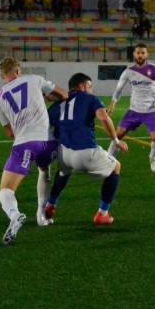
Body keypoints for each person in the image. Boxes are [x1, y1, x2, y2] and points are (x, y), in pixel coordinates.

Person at [0, 57, 67, 244]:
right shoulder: (35, 79)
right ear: (18, 71)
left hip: (25, 143)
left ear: (3, 76)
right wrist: (46, 98)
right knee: (44, 170)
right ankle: (41, 214)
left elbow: (10, 132)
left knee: (6, 190)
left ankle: (14, 215)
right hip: (48, 142)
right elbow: (63, 94)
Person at [44, 73, 129, 226]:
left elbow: (47, 127)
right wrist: (116, 140)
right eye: (90, 86)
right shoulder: (90, 99)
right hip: (85, 153)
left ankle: (51, 204)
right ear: (82, 86)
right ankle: (103, 213)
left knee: (63, 171)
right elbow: (104, 118)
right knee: (116, 167)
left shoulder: (57, 104)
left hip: (64, 154)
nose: (91, 90)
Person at [107, 43, 155, 172]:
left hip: (151, 112)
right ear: (134, 54)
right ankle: (108, 160)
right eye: (138, 52)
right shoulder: (128, 72)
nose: (140, 55)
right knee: (117, 136)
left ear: (147, 54)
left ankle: (152, 157)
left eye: (143, 53)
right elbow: (119, 89)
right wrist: (113, 103)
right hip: (134, 111)